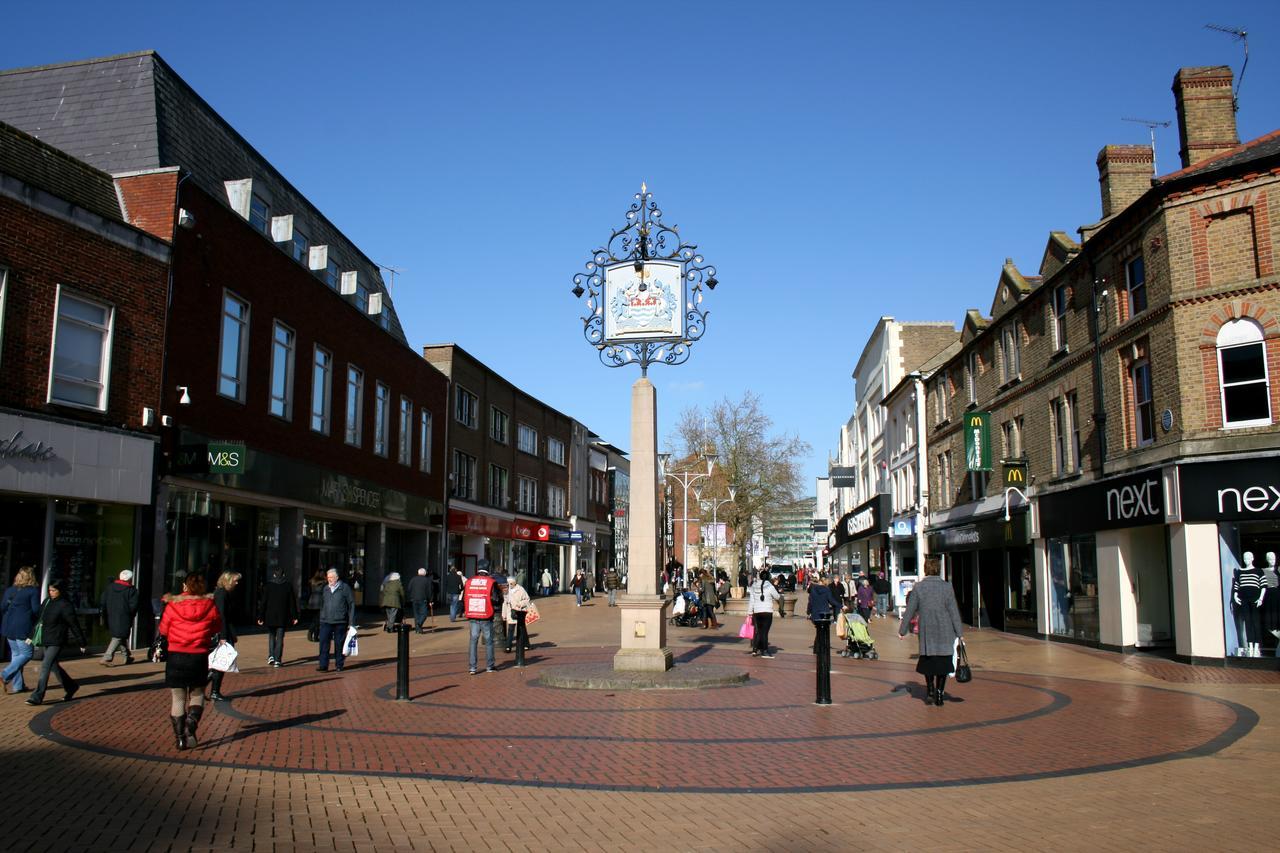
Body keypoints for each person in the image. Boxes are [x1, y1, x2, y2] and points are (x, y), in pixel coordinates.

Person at [158, 573, 220, 748]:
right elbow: (216, 626)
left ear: (185, 586)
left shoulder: (173, 604)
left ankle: (179, 737)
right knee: (197, 693)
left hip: (176, 655)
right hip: (198, 655)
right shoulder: (210, 605)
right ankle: (191, 725)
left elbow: (163, 629)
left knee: (178, 698)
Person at [898, 556, 964, 706]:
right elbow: (954, 612)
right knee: (943, 663)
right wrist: (959, 633)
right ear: (938, 569)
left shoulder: (919, 587)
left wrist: (902, 631)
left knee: (928, 661)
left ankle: (930, 691)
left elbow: (910, 610)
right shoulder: (947, 587)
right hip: (945, 629)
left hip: (927, 630)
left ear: (925, 569)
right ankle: (940, 694)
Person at [25, 579, 86, 706]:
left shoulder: (65, 605)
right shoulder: (47, 601)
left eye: (54, 590)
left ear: (60, 590)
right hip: (46, 638)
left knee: (46, 665)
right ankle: (71, 686)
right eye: (50, 590)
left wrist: (81, 642)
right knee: (53, 666)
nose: (51, 593)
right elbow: (39, 620)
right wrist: (31, 635)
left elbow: (73, 624)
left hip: (57, 639)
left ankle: (37, 696)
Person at [2, 567, 41, 694]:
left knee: (16, 656)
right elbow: (36, 610)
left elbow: (3, 607)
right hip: (24, 627)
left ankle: (18, 686)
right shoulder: (33, 591)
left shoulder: (10, 590)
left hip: (9, 626)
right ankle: (4, 674)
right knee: (27, 654)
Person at [464, 563, 503, 674]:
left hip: (472, 614)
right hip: (486, 615)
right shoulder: (491, 582)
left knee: (473, 641)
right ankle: (490, 666)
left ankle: (472, 667)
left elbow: (464, 598)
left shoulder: (469, 581)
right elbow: (496, 599)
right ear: (487, 570)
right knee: (489, 641)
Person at [207, 571, 241, 701]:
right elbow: (222, 616)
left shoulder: (224, 593)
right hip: (221, 633)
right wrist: (224, 635)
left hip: (225, 631)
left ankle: (213, 689)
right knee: (220, 663)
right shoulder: (222, 594)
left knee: (222, 662)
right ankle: (212, 689)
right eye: (235, 580)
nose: (237, 583)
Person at [99, 569, 140, 666]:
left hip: (111, 615)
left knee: (121, 635)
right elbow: (133, 606)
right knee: (118, 636)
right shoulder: (131, 590)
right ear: (130, 579)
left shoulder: (110, 587)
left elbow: (103, 600)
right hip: (124, 616)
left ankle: (127, 656)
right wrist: (131, 615)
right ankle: (107, 657)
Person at [257, 569, 298, 666]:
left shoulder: (269, 586)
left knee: (271, 636)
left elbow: (264, 602)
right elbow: (292, 602)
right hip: (282, 616)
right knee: (280, 638)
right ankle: (278, 660)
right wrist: (294, 616)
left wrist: (260, 616)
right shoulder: (288, 586)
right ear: (283, 575)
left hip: (270, 615)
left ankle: (271, 655)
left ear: (274, 575)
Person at [317, 568, 356, 672]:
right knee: (323, 643)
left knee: (339, 644)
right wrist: (321, 617)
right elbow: (322, 604)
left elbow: (351, 604)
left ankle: (339, 664)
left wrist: (351, 622)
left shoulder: (344, 588)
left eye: (331, 577)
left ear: (337, 578)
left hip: (340, 621)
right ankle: (323, 665)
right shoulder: (325, 589)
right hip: (326, 621)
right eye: (328, 577)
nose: (329, 579)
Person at [747, 568, 780, 658]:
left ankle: (755, 649)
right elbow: (777, 597)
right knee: (764, 632)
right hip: (767, 612)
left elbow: (752, 600)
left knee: (758, 631)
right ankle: (764, 650)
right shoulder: (770, 586)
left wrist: (750, 612)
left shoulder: (754, 586)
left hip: (757, 612)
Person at [503, 575, 533, 656]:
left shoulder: (520, 589)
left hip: (519, 611)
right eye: (508, 583)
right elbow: (505, 603)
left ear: (515, 582)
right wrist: (504, 614)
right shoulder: (507, 590)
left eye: (511, 583)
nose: (510, 585)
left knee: (522, 628)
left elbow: (527, 599)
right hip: (510, 611)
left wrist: (520, 604)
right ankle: (508, 647)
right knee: (510, 629)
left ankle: (527, 644)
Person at [406, 568, 434, 634]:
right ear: (425, 573)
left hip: (414, 599)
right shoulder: (427, 580)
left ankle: (418, 629)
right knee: (424, 614)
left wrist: (411, 596)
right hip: (423, 599)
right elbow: (430, 591)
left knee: (416, 615)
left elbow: (409, 589)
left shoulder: (413, 579)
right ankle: (419, 624)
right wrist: (430, 600)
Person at [305, 570, 325, 642]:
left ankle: (311, 633)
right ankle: (315, 636)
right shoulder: (324, 583)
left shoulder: (312, 582)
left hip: (312, 601)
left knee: (314, 619)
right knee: (318, 620)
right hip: (320, 602)